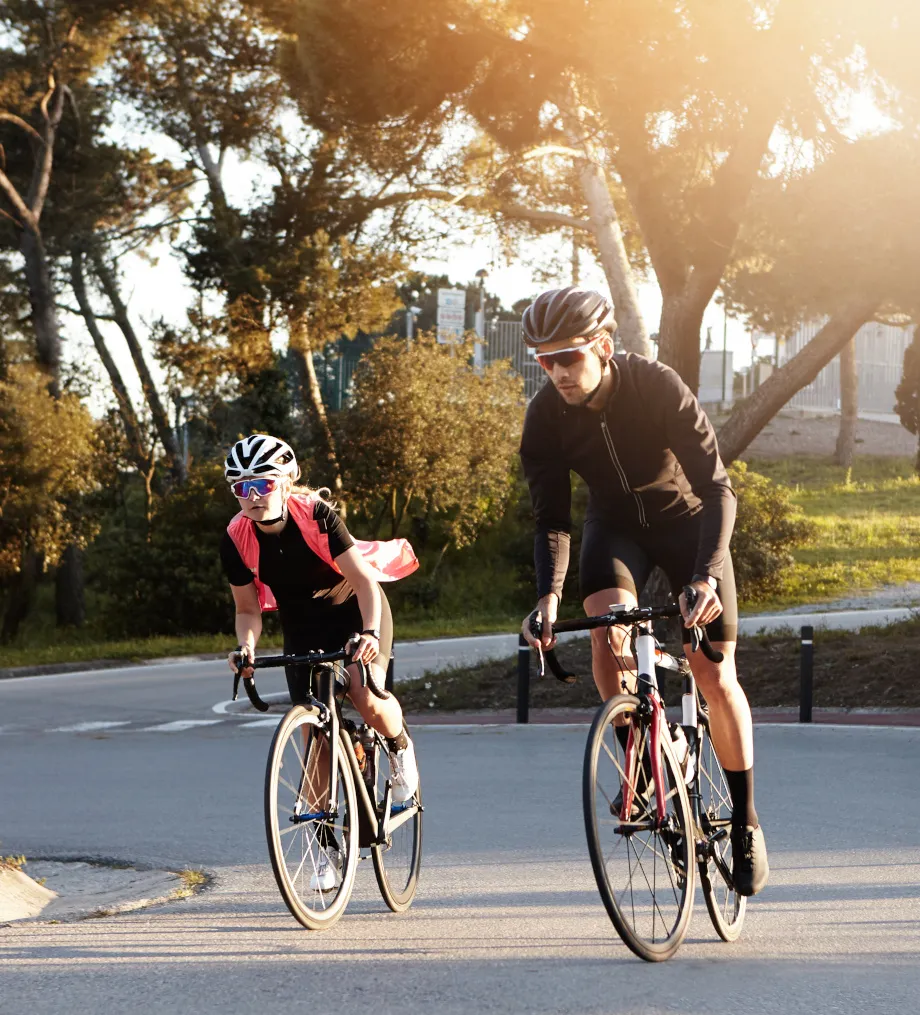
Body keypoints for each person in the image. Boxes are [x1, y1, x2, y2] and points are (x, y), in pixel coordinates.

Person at [518, 287, 768, 897]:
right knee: (608, 630)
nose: (557, 372)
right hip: (616, 529)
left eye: (568, 357)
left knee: (715, 676)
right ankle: (646, 749)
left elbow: (718, 489)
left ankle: (744, 821)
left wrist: (705, 577)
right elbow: (552, 520)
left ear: (603, 347)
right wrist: (548, 596)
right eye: (545, 361)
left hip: (688, 523)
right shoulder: (545, 416)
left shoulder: (655, 385)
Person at [220, 433, 420, 890]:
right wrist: (246, 647)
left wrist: (369, 634)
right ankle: (325, 849)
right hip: (302, 628)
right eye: (241, 488)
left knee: (364, 694)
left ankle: (399, 748)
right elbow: (247, 609)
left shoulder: (316, 515)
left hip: (355, 612)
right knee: (314, 737)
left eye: (262, 484)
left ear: (287, 482)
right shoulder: (235, 537)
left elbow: (365, 583)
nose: (252, 497)